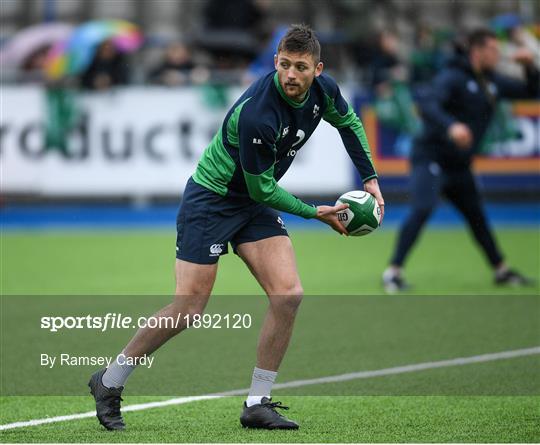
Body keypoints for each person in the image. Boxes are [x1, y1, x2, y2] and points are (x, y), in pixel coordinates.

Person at [89, 24, 384, 431]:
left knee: (288, 295)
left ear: (318, 69)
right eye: (284, 65)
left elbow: (348, 123)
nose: (291, 75)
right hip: (211, 200)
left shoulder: (324, 91)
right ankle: (109, 381)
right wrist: (315, 212)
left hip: (252, 202)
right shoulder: (259, 114)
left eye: (300, 67)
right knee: (188, 308)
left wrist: (369, 177)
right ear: (276, 61)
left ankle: (257, 402)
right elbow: (262, 187)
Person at [382, 28, 538, 293]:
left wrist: (530, 67)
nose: (498, 54)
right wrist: (451, 125)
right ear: (477, 51)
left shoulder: (493, 82)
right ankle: (393, 272)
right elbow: (429, 105)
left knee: (477, 216)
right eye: (492, 49)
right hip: (430, 156)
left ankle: (501, 270)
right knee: (423, 208)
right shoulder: (452, 77)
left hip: (459, 164)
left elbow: (532, 91)